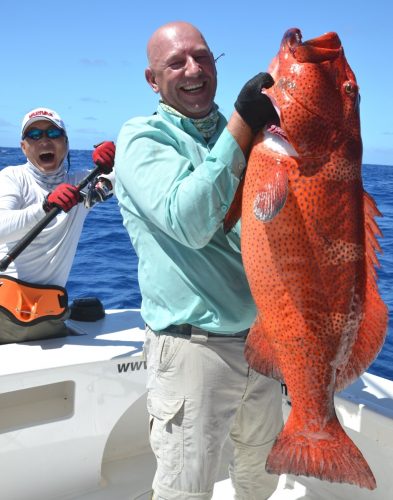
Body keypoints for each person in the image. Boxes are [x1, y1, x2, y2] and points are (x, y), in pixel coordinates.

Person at [115, 21, 284, 500]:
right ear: (153, 80)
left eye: (203, 57)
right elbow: (188, 222)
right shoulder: (141, 138)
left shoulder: (254, 138)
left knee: (260, 478)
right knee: (185, 491)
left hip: (263, 345)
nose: (194, 70)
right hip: (194, 350)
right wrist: (241, 123)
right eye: (176, 62)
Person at [0, 107, 115, 344]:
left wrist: (115, 160)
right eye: (34, 135)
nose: (44, 141)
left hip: (47, 318)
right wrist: (44, 206)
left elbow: (127, 178)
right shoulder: (12, 177)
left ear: (66, 143)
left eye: (53, 133)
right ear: (23, 147)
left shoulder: (81, 183)